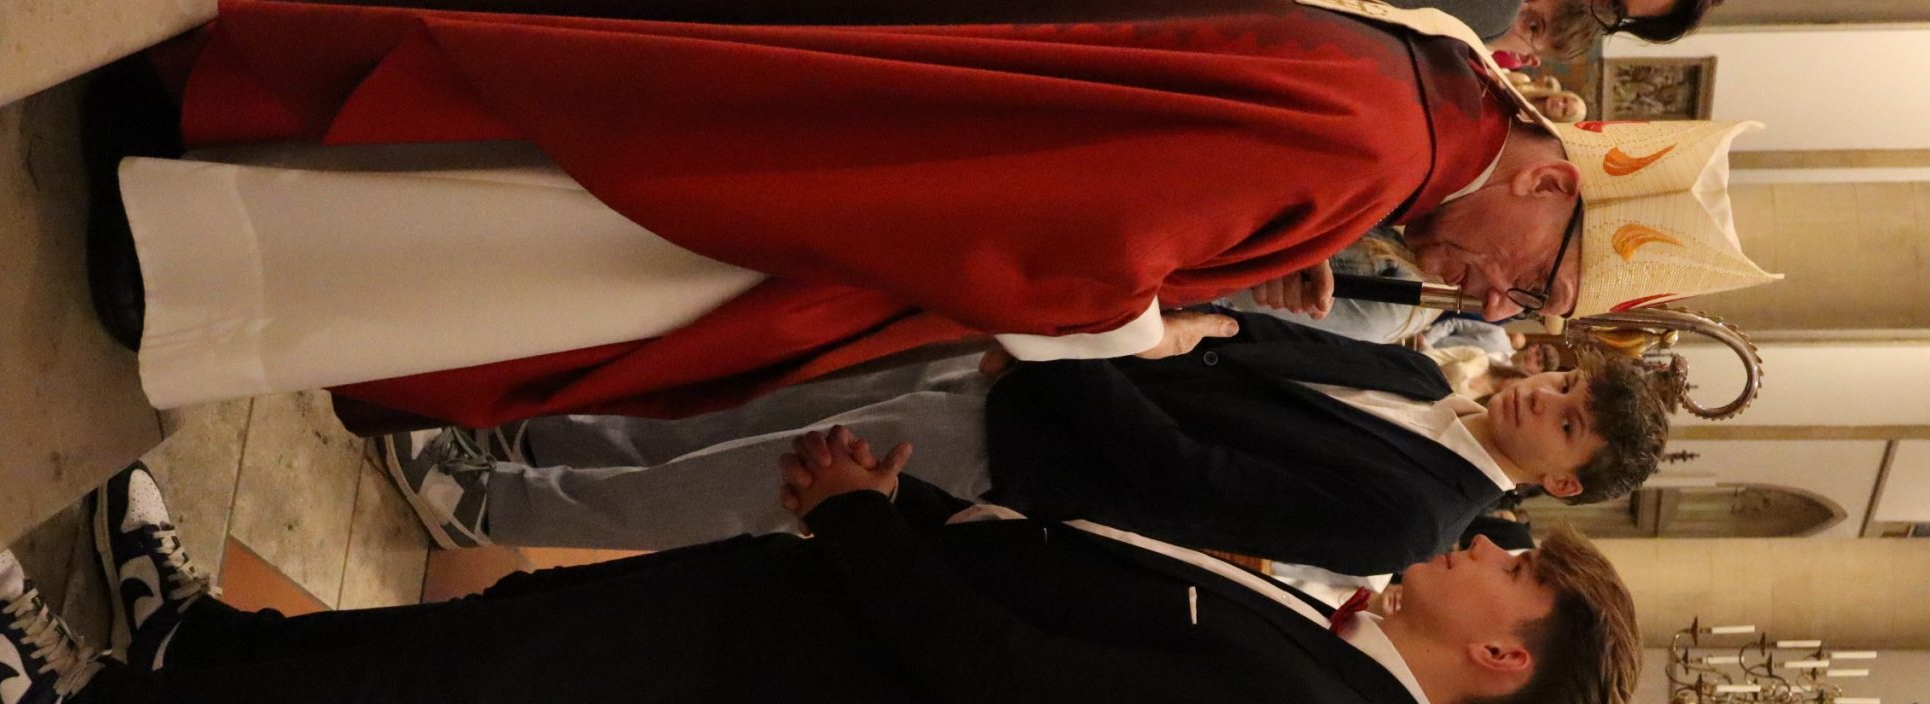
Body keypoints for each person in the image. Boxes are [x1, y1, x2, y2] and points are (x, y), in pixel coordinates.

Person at [103, 2, 1766, 423]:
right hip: (877, 179)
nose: (1496, 302)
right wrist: (1149, 331)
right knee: (535, 214)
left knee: (539, 168)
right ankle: (196, 227)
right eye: (1538, 280)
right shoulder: (1372, 144)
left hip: (911, 130)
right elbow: (1068, 241)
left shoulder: (1410, 98)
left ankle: (213, 151)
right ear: (1548, 174)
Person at [0, 452, 1639, 704]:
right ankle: (200, 650)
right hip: (814, 604)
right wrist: (893, 508)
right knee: (492, 630)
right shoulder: (1335, 653)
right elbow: (1072, 574)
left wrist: (860, 524)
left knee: (464, 675)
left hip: (790, 665)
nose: (1487, 547)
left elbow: (1005, 678)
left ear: (1506, 656)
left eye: (1517, 573)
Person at [383, 311, 1677, 579]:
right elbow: (1246, 344)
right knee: (748, 412)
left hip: (1042, 439)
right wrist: (1131, 325)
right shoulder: (1420, 374)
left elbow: (1194, 484)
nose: (1542, 394)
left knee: (738, 486)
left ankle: (492, 511)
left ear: (1562, 480)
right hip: (1041, 363)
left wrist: (1070, 363)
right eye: (1563, 377)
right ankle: (524, 432)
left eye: (1564, 417)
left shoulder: (1413, 520)